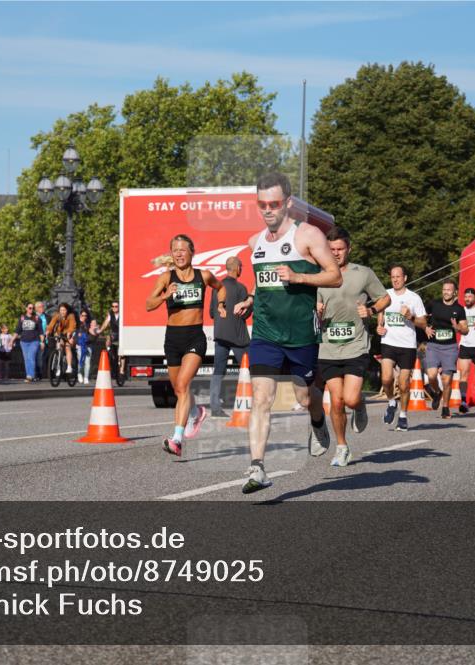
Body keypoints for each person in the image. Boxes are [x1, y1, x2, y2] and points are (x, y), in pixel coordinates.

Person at [232, 173, 341, 493]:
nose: (268, 210)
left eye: (274, 204)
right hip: (265, 334)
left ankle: (318, 421)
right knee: (261, 399)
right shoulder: (254, 243)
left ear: (288, 203)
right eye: (262, 205)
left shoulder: (307, 236)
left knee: (305, 397)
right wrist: (251, 300)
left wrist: (299, 278)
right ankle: (257, 468)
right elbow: (263, 282)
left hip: (300, 335)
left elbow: (334, 277)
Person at [146, 234, 226, 456]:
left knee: (182, 384)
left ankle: (177, 439)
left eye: (183, 250)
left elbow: (221, 288)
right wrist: (164, 296)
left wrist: (220, 304)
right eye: (175, 250)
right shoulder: (166, 278)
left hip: (194, 337)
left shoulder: (204, 276)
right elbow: (148, 304)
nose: (179, 254)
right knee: (178, 388)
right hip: (172, 338)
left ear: (192, 252)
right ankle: (195, 412)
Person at [316, 226, 387, 464]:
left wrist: (371, 309)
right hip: (328, 346)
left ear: (349, 249)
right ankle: (342, 446)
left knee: (351, 398)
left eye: (340, 249)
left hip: (356, 345)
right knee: (336, 400)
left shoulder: (363, 273)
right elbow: (311, 306)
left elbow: (384, 297)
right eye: (332, 249)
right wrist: (315, 310)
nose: (336, 253)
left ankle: (360, 405)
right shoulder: (319, 275)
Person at [376, 265, 427, 431]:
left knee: (404, 384)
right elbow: (380, 311)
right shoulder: (386, 294)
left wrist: (410, 317)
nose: (395, 279)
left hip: (407, 345)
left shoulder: (414, 298)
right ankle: (391, 402)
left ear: (405, 278)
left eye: (398, 276)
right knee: (386, 379)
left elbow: (423, 323)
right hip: (388, 341)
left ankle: (403, 415)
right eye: (393, 277)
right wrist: (379, 325)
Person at [208, 256, 251, 418]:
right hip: (238, 337)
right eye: (241, 267)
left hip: (220, 335)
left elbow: (212, 313)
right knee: (248, 369)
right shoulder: (241, 288)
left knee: (218, 371)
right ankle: (250, 404)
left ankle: (215, 407)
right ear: (237, 268)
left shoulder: (217, 288)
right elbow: (245, 313)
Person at [423, 280, 468, 419]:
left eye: (449, 290)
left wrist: (457, 328)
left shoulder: (459, 309)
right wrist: (426, 327)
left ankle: (445, 407)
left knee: (446, 380)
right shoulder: (433, 304)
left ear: (454, 292)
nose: (446, 292)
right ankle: (437, 393)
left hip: (450, 348)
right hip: (433, 345)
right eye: (444, 289)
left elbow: (465, 330)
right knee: (431, 375)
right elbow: (421, 317)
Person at [16, 303, 45, 382]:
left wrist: (42, 342)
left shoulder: (36, 318)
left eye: (32, 308)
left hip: (34, 341)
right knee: (26, 359)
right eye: (29, 308)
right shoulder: (22, 318)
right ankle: (28, 374)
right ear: (26, 308)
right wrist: (11, 340)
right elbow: (18, 330)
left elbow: (41, 331)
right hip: (23, 342)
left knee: (31, 357)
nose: (31, 310)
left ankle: (30, 375)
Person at [47, 303, 77, 377]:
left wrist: (69, 333)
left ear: (67, 310)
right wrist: (48, 331)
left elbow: (72, 326)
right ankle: (58, 367)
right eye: (61, 310)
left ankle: (69, 366)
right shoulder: (57, 315)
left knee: (67, 347)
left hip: (69, 333)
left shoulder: (71, 316)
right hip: (59, 333)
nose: (62, 312)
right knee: (59, 346)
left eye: (64, 310)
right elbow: (51, 324)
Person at [99, 301, 125, 380]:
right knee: (108, 338)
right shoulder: (110, 314)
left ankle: (122, 370)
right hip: (114, 334)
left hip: (122, 334)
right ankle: (109, 349)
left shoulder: (123, 314)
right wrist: (100, 330)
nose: (114, 308)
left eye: (116, 306)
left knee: (122, 353)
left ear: (119, 307)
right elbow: (106, 323)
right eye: (113, 306)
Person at [74, 310, 97, 384]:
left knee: (88, 362)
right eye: (82, 315)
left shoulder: (88, 324)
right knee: (81, 360)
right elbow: (75, 334)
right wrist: (77, 341)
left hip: (88, 345)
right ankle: (79, 374)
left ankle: (86, 377)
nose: (84, 317)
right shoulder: (77, 324)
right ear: (80, 316)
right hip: (80, 345)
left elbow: (92, 334)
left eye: (85, 316)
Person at [34, 301, 49, 380]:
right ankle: (37, 374)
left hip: (46, 340)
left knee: (43, 359)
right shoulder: (33, 317)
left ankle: (40, 374)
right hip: (36, 340)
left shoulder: (47, 316)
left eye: (43, 306)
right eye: (40, 306)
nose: (42, 308)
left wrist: (48, 329)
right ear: (36, 308)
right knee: (37, 358)